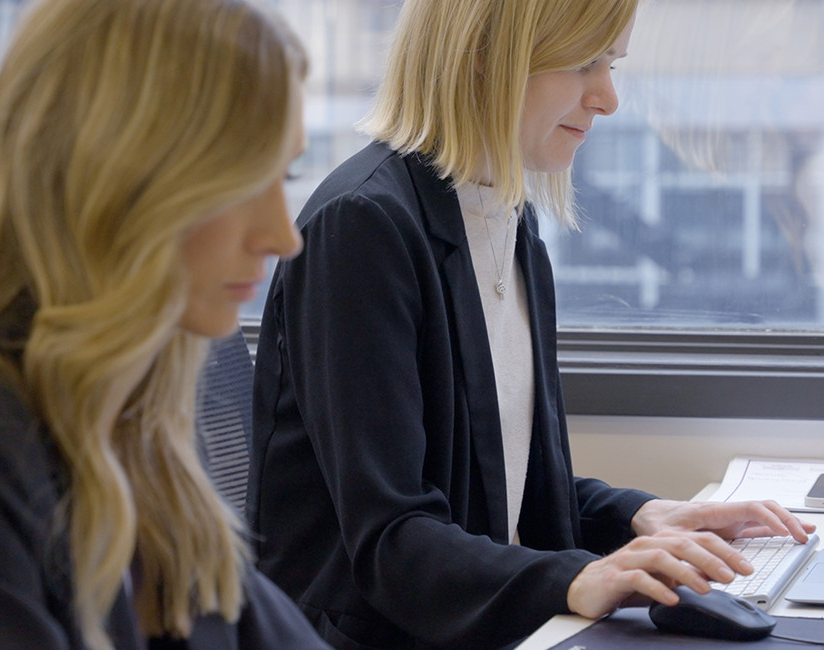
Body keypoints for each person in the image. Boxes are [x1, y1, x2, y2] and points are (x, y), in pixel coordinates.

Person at [246, 0, 817, 648]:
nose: (608, 98)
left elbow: (497, 486)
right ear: (486, 57)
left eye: (612, 63)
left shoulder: (506, 216)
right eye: (583, 64)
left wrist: (641, 516)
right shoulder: (363, 229)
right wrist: (577, 579)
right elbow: (393, 539)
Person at [0, 0, 332, 648]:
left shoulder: (139, 442)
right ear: (120, 178)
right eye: (241, 181)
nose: (283, 237)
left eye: (287, 175)